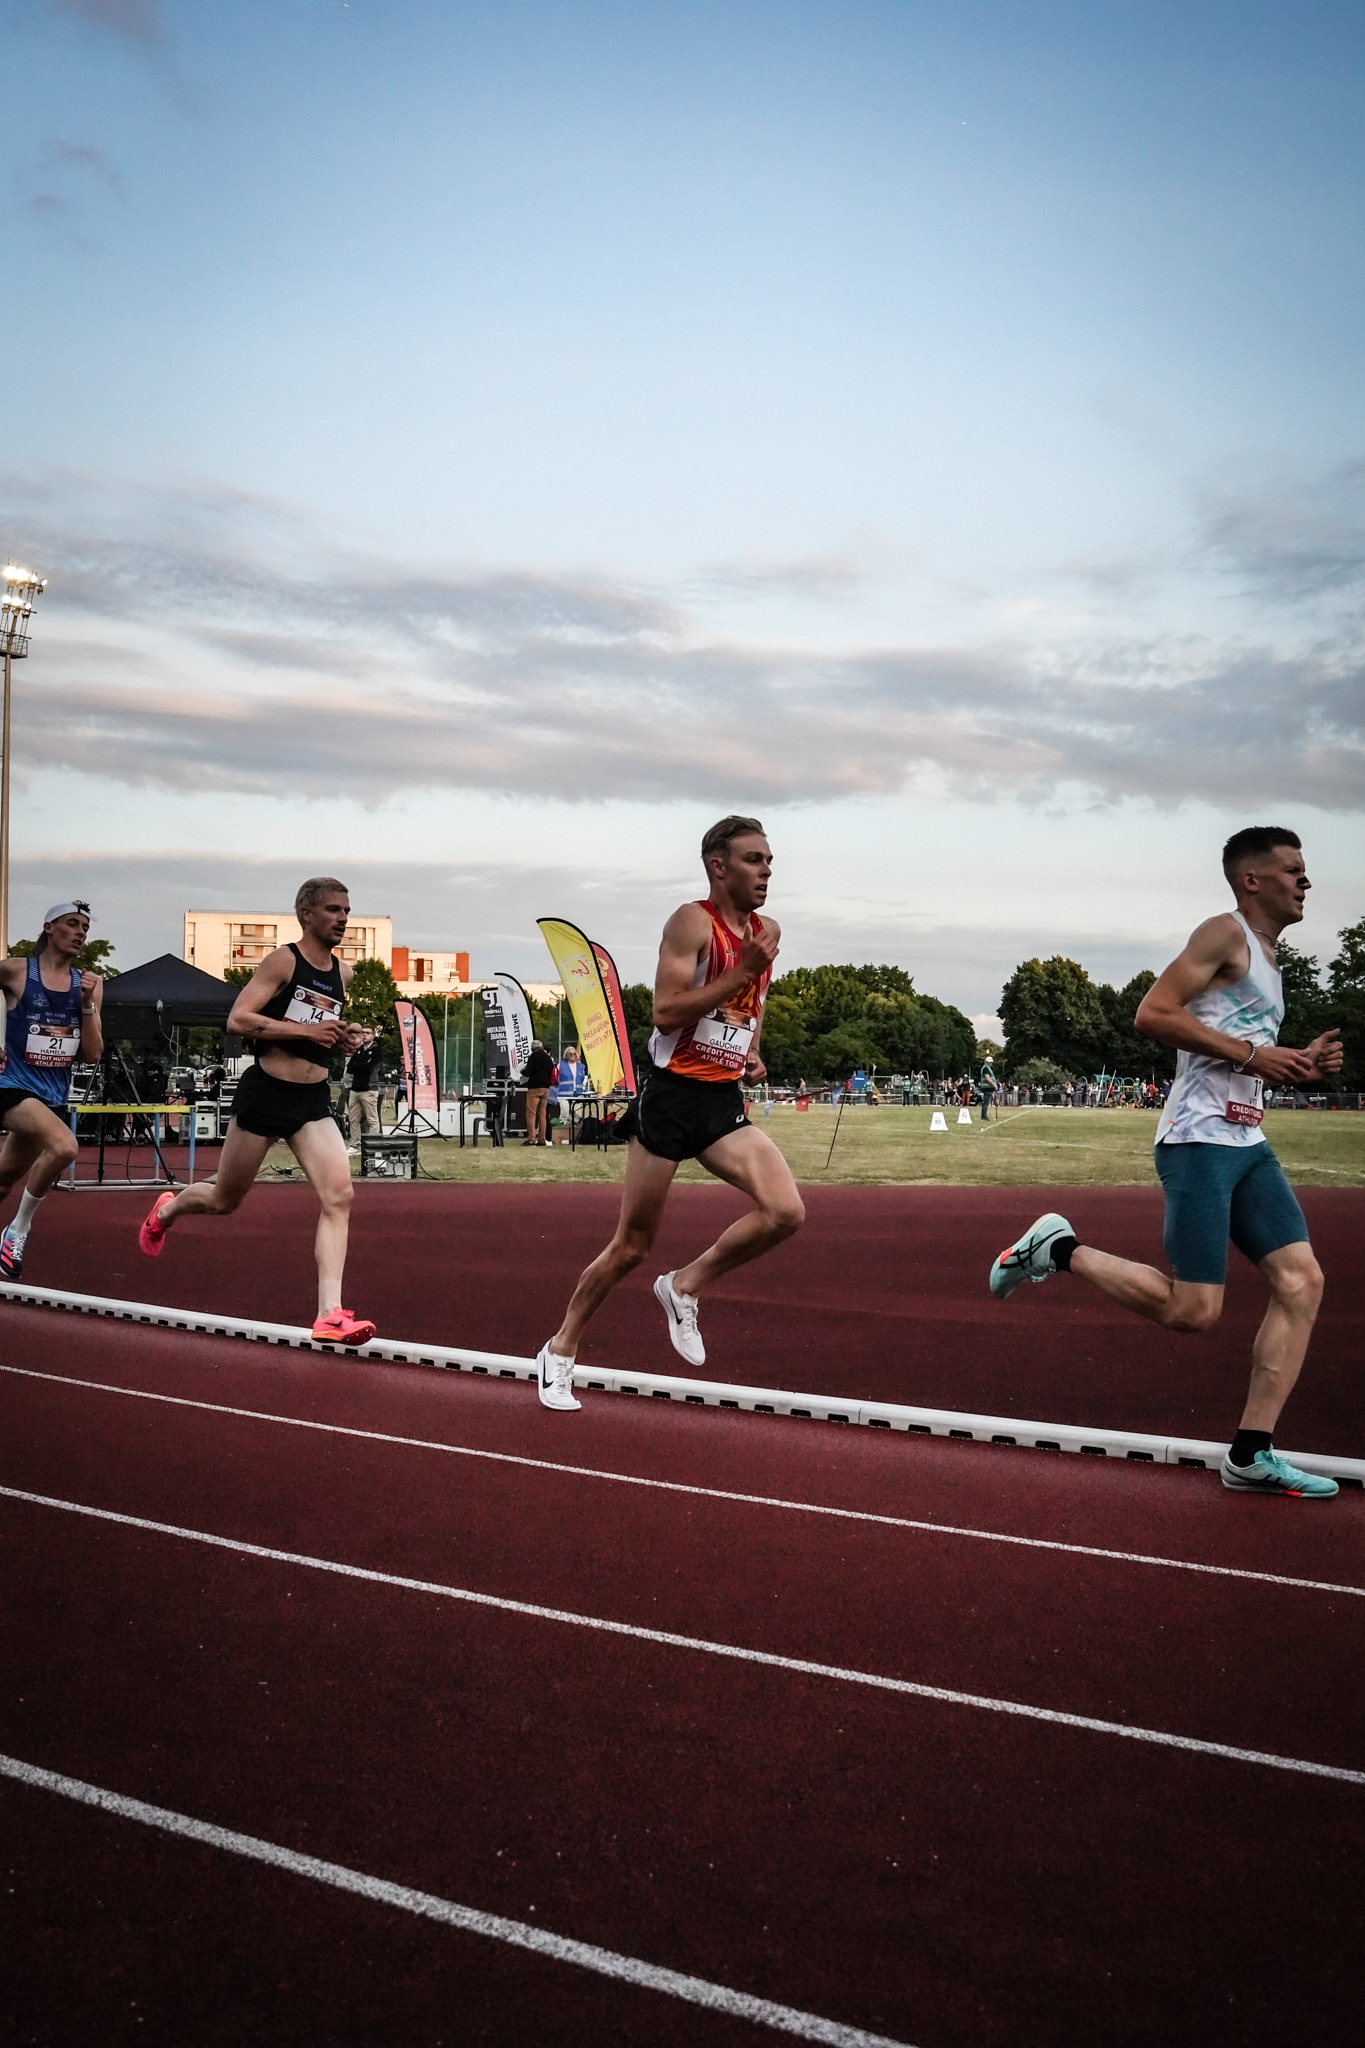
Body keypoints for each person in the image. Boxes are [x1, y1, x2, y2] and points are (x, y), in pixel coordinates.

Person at [990, 827, 1343, 1499]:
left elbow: (1243, 1049)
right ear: (1251, 880)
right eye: (1292, 870)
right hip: (1198, 1140)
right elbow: (1152, 1013)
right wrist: (1254, 1056)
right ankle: (1057, 1249)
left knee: (1302, 1283)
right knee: (1193, 1311)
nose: (1305, 882)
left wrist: (1298, 1064)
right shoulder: (1224, 933)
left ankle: (1251, 1454)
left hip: (1246, 1140)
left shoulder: (1269, 957)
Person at [534, 815, 805, 1411]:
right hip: (672, 1097)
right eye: (754, 860)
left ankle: (683, 1286)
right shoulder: (691, 922)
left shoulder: (767, 931)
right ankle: (559, 1350)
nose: (766, 871)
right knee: (631, 1245)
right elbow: (665, 1011)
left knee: (785, 1212)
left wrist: (750, 1051)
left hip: (721, 1101)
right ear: (718, 867)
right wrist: (743, 969)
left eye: (769, 861)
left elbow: (752, 1002)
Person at [138, 877, 375, 1346]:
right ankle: (167, 1210)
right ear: (306, 913)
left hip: (311, 1101)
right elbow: (238, 1019)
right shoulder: (283, 960)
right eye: (333, 909)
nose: (343, 918)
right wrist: (309, 1033)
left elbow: (318, 1029)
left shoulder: (343, 974)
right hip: (266, 1093)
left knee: (340, 1195)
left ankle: (329, 1315)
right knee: (224, 1199)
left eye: (347, 910)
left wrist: (341, 1037)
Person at [0, 901, 105, 1276]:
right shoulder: (15, 970)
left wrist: (87, 1005)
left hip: (53, 1097)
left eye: (85, 928)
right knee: (65, 1147)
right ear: (48, 927)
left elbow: (92, 1054)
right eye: (72, 924)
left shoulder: (90, 984)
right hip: (11, 1085)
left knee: (3, 1181)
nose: (80, 933)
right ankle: (18, 1229)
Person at [346, 1026, 382, 1153]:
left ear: (373, 1035)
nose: (365, 1035)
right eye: (363, 1033)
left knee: (371, 1119)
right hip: (355, 1089)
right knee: (353, 1119)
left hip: (369, 1089)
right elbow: (350, 1068)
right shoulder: (358, 1050)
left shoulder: (377, 1050)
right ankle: (355, 1145)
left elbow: (369, 1067)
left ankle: (372, 1146)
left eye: (367, 1033)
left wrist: (359, 1066)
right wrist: (361, 1066)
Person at [523, 1038, 554, 1146]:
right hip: (545, 1088)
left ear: (532, 1049)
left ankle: (531, 1139)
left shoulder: (533, 1057)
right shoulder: (548, 1058)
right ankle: (542, 1139)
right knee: (542, 1114)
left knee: (531, 1113)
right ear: (542, 1047)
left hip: (534, 1088)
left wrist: (522, 1071)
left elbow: (528, 1072)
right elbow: (551, 1072)